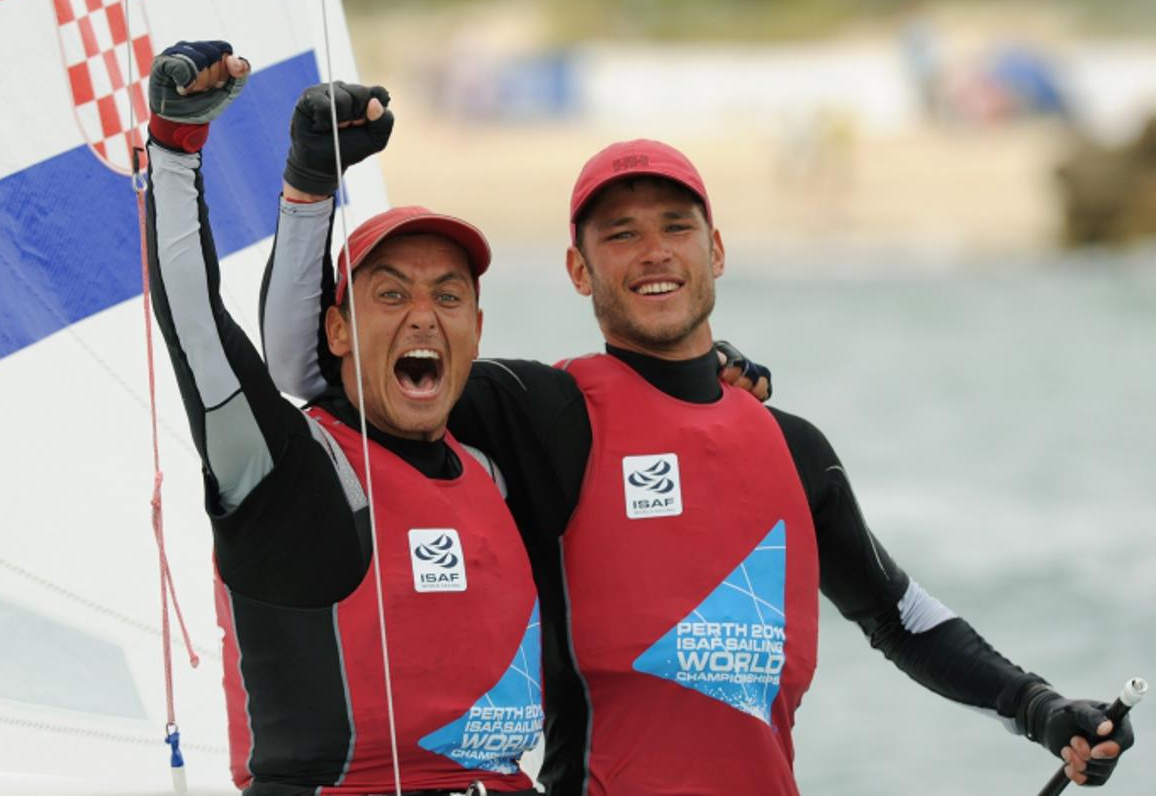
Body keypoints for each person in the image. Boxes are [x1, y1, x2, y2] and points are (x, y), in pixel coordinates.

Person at [262, 117, 1137, 788]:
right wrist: (308, 188)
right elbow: (321, 372)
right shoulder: (544, 412)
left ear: (714, 249)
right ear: (578, 270)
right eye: (619, 234)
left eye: (674, 227)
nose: (652, 253)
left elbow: (899, 613)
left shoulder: (791, 447)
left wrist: (1041, 707)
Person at [145, 40, 543, 795]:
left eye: (447, 297)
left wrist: (723, 374)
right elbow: (201, 328)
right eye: (391, 296)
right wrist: (175, 147)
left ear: (477, 330)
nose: (424, 317)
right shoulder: (285, 474)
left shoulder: (500, 466)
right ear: (337, 332)